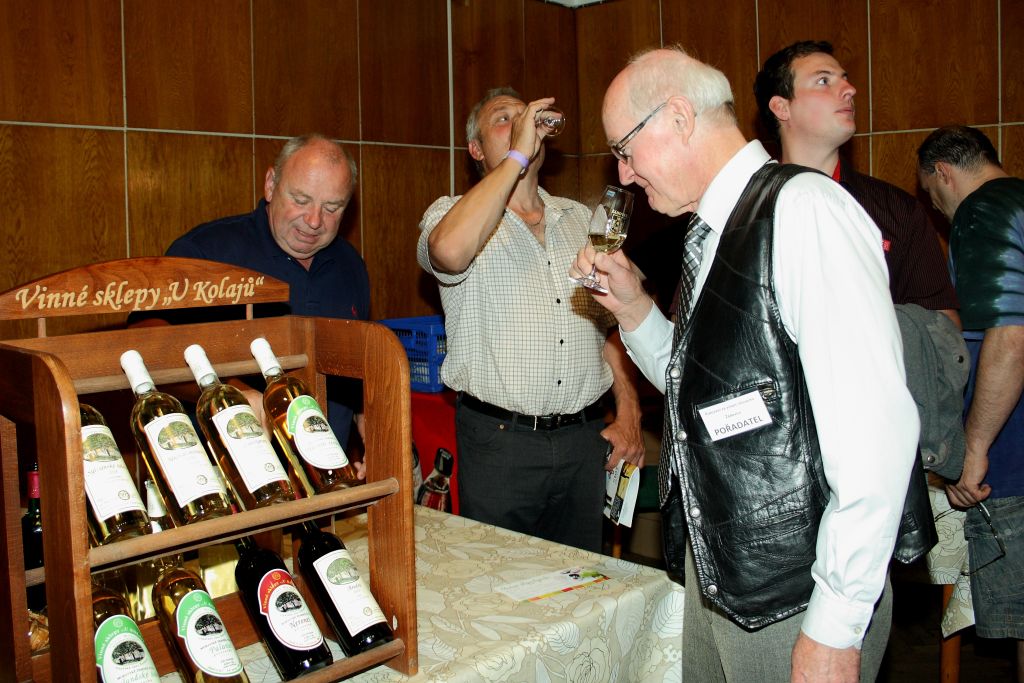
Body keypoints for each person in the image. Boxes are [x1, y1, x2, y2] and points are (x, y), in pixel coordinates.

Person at [576, 47, 919, 681]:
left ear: (679, 117)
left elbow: (875, 433)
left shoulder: (804, 210)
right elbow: (708, 387)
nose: (624, 173)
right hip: (720, 575)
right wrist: (632, 309)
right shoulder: (713, 228)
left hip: (796, 592)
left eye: (625, 148)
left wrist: (836, 622)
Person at [416, 87, 644, 553]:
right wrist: (517, 155)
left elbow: (615, 324)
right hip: (501, 444)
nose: (522, 125)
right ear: (476, 149)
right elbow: (449, 252)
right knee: (498, 583)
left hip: (583, 440)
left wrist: (629, 412)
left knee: (582, 582)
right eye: (504, 119)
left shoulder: (582, 219)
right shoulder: (449, 213)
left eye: (526, 118)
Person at [136, 134, 369, 448]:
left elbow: (352, 372)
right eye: (301, 200)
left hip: (325, 470)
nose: (314, 221)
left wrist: (367, 419)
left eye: (332, 207)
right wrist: (229, 392)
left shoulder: (351, 266)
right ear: (271, 184)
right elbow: (144, 343)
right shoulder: (205, 253)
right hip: (222, 469)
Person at [917, 125, 1024, 681]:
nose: (937, 210)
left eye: (932, 196)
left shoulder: (981, 213)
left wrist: (975, 448)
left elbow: (1009, 337)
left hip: (1016, 454)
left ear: (943, 172)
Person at [753, 40, 959, 322]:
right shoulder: (745, 210)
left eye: (845, 79)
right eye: (824, 81)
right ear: (782, 108)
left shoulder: (897, 211)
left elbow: (945, 330)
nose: (850, 90)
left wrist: (866, 324)